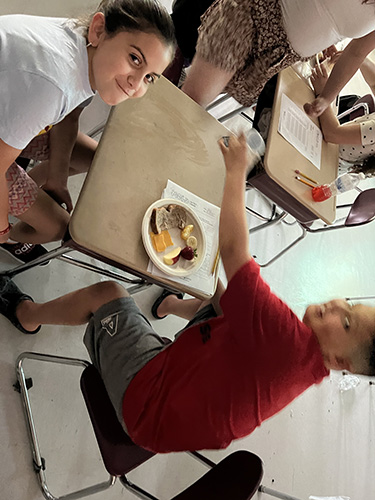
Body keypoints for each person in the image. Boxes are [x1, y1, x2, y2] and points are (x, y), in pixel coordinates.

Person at [1, 133, 375, 454]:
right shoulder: (310, 363)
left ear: (340, 361)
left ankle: (25, 315)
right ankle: (170, 303)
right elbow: (231, 296)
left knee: (107, 292)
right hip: (194, 390)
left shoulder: (287, 341)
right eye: (352, 305)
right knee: (219, 299)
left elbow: (233, 252)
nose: (338, 304)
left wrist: (234, 172)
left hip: (150, 407)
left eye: (345, 321)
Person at [0, 0, 175, 263]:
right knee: (58, 227)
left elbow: (68, 119)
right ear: (98, 29)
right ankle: (9, 238)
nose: (136, 84)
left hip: (11, 113)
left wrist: (57, 179)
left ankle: (29, 195)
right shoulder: (53, 85)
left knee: (98, 159)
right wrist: (1, 226)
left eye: (150, 77)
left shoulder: (82, 44)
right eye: (135, 59)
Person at [165, 0, 375, 115]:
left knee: (193, 95)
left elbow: (356, 51)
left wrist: (327, 97)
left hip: (277, 56)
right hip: (254, 15)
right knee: (193, 100)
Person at [310, 55, 375, 176]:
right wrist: (355, 56)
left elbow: (332, 134)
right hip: (326, 139)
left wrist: (322, 94)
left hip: (327, 159)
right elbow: (374, 82)